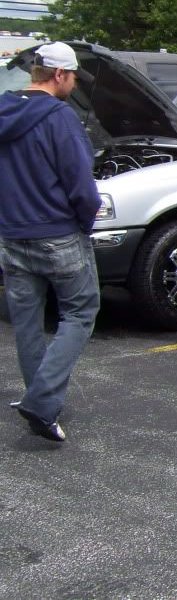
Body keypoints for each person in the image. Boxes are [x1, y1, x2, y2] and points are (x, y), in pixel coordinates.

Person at [0, 42, 100, 442]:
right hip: (58, 235)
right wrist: (83, 222)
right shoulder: (61, 118)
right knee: (80, 313)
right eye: (73, 76)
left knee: (26, 321)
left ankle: (37, 395)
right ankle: (41, 403)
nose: (74, 84)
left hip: (11, 235)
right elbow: (82, 187)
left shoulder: (3, 110)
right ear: (59, 75)